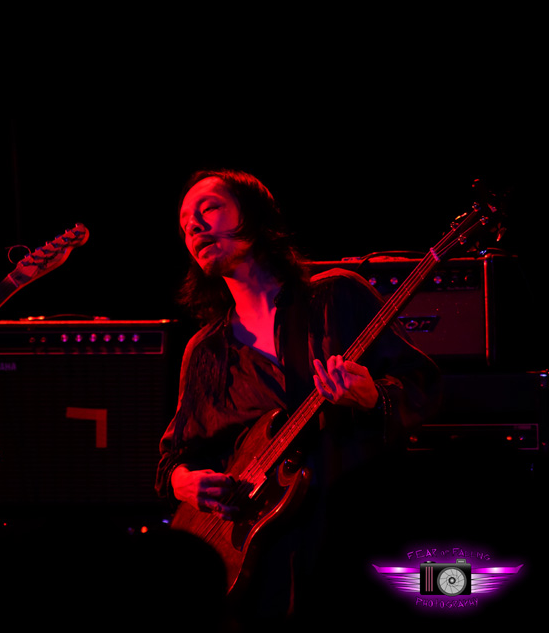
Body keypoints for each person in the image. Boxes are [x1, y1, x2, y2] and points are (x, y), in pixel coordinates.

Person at [156, 170, 440, 620]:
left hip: (352, 542)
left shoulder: (337, 295)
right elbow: (176, 456)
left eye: (208, 207)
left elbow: (424, 385)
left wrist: (372, 396)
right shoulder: (205, 351)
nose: (193, 225)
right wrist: (185, 483)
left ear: (254, 214)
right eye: (184, 221)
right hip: (255, 568)